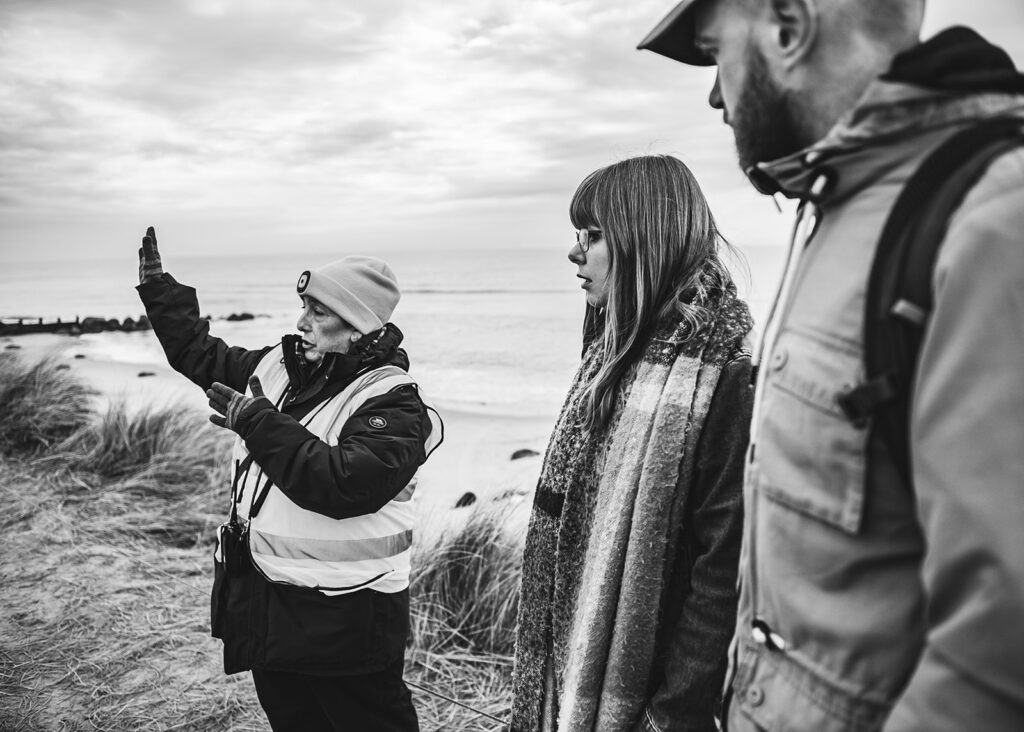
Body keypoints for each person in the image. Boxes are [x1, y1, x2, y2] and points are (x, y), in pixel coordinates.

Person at [639, 1, 1024, 730]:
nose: (716, 94)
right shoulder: (839, 208)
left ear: (788, 25)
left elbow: (999, 656)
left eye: (718, 52)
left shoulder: (991, 220)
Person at [136, 227, 442, 732]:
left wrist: (254, 421)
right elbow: (202, 355)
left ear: (359, 327)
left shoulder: (393, 400)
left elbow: (343, 484)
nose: (301, 321)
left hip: (348, 624)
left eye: (318, 312)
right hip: (271, 607)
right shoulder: (279, 367)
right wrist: (160, 293)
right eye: (304, 306)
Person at [510, 155, 754, 732]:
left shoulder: (724, 374)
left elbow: (722, 571)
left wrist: (670, 717)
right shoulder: (612, 351)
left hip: (650, 703)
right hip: (567, 678)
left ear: (646, 239)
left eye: (593, 237)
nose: (575, 253)